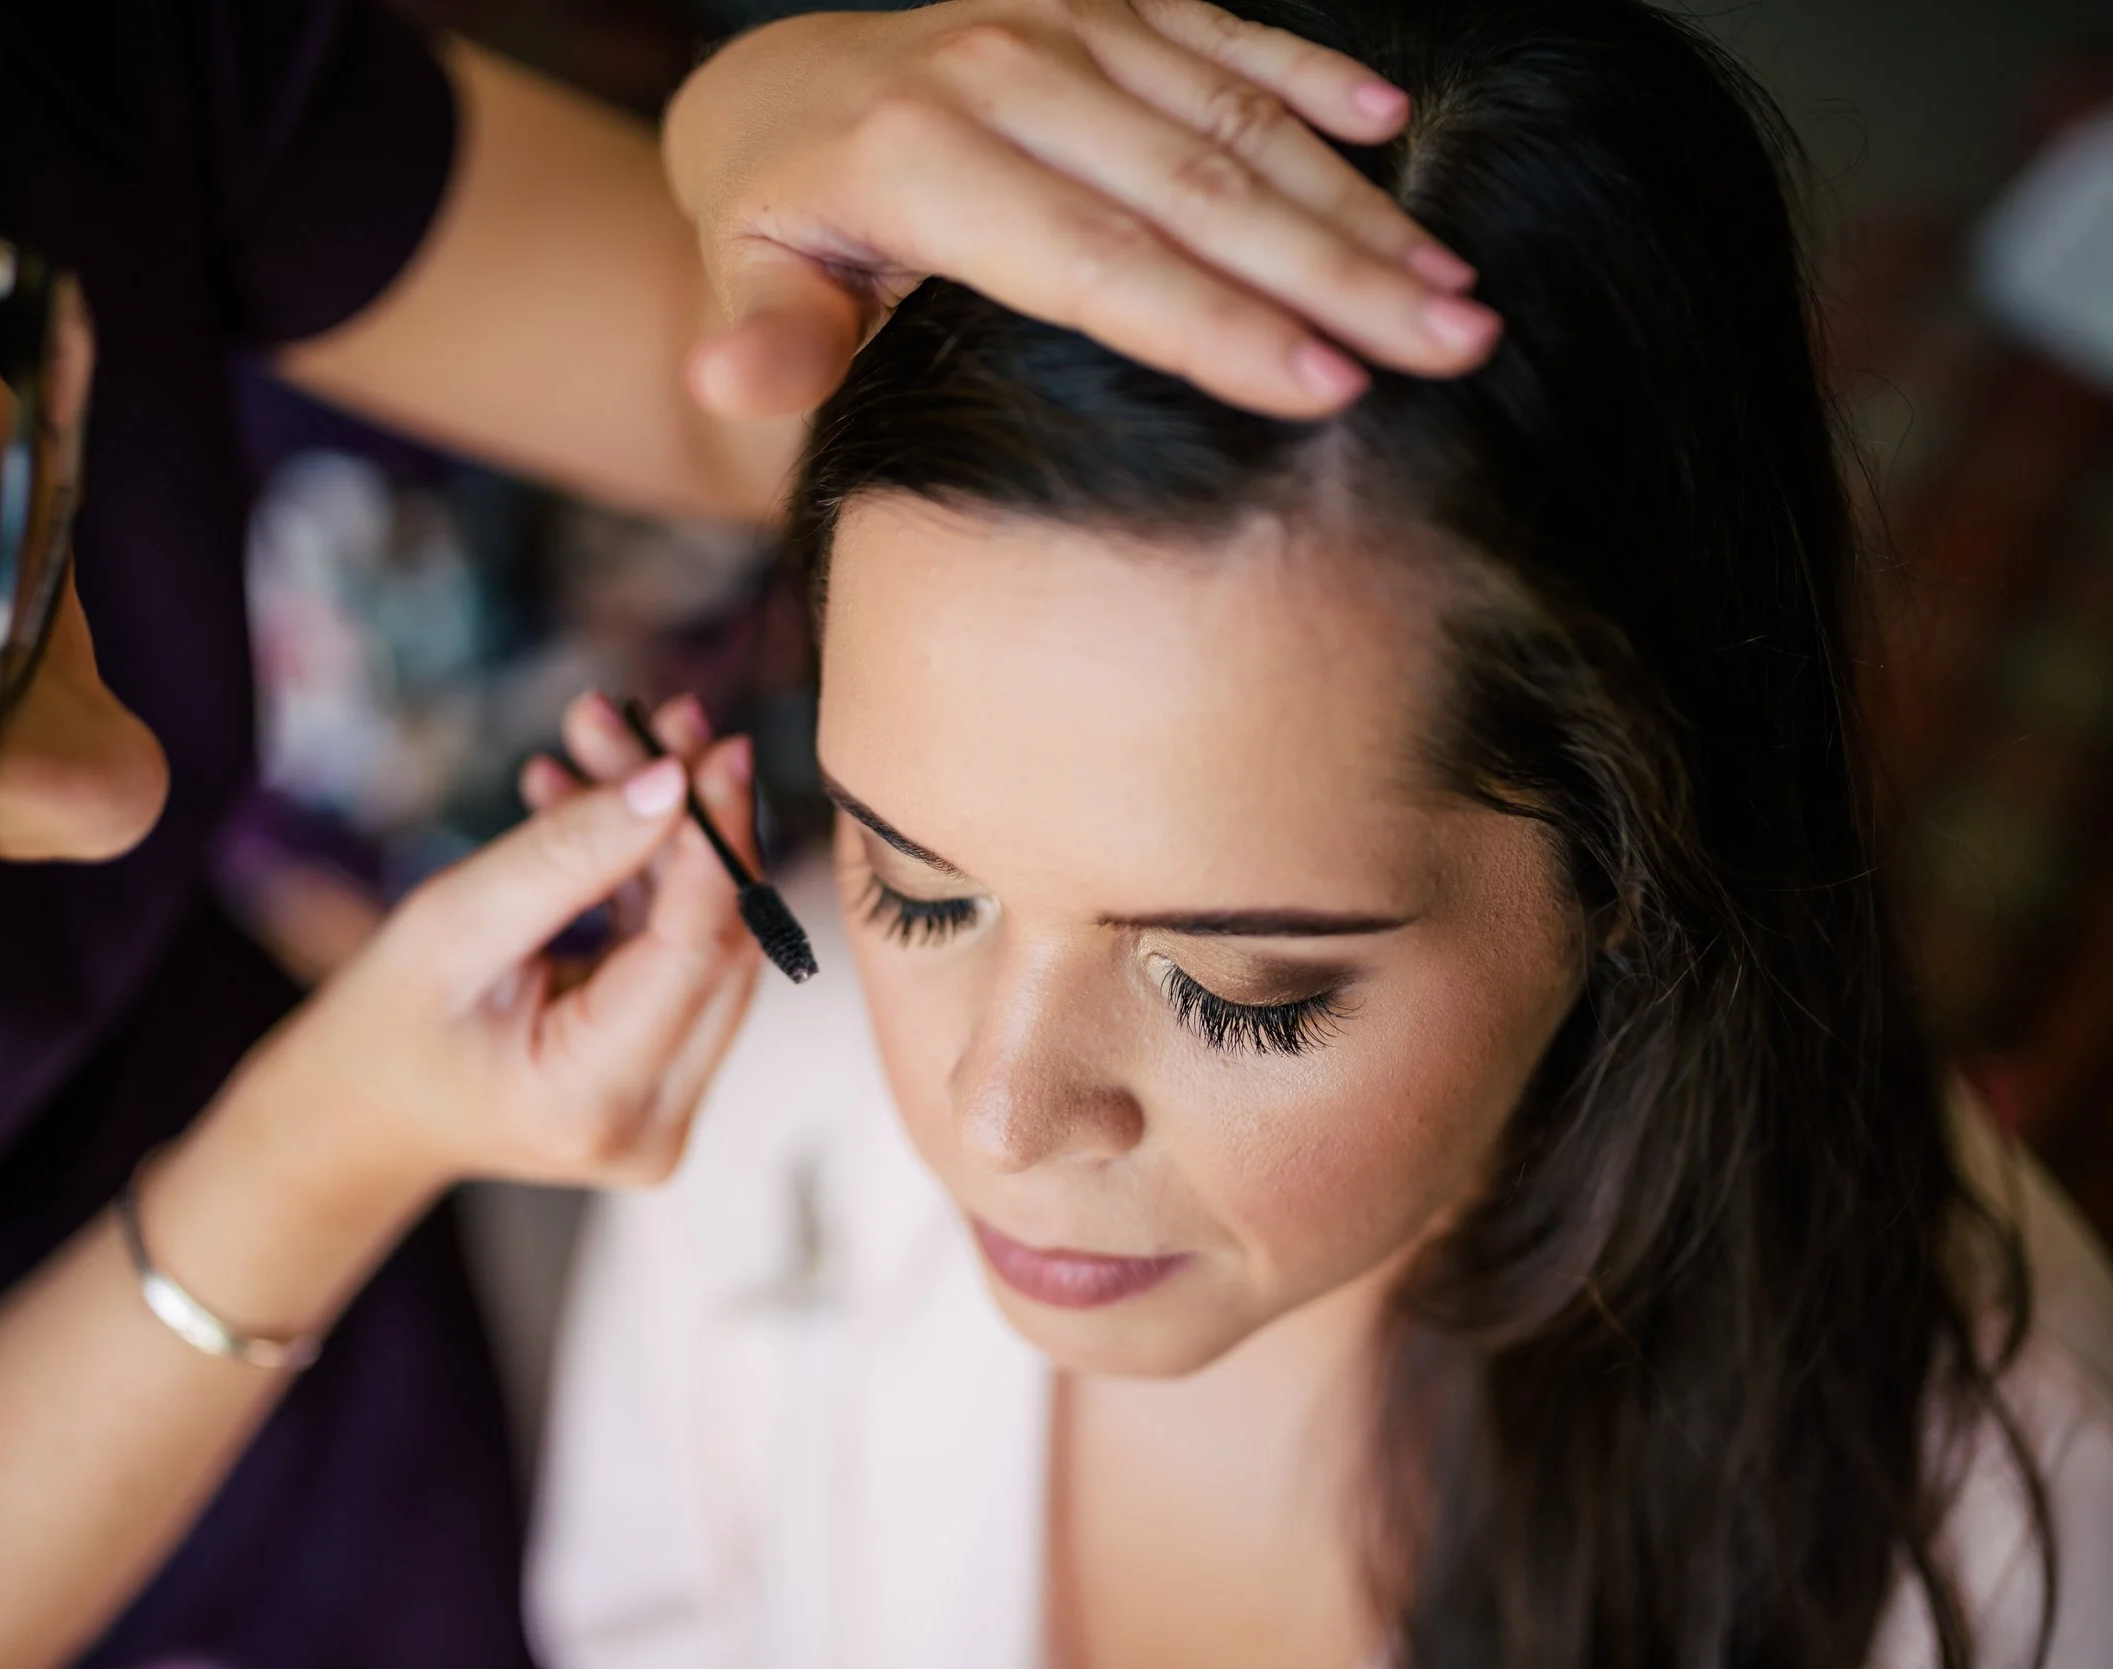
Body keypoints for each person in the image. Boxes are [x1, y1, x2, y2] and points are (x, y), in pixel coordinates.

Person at [0, 2, 1500, 1665]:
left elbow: (871, 436)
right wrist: (329, 1130)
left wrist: (753, 138)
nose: (120, 801)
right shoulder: (736, 1293)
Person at [527, 2, 2113, 1666]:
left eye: (1244, 990)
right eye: (919, 892)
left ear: (1633, 868)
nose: (992, 1117)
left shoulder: (1985, 1519)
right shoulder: (761, 1107)